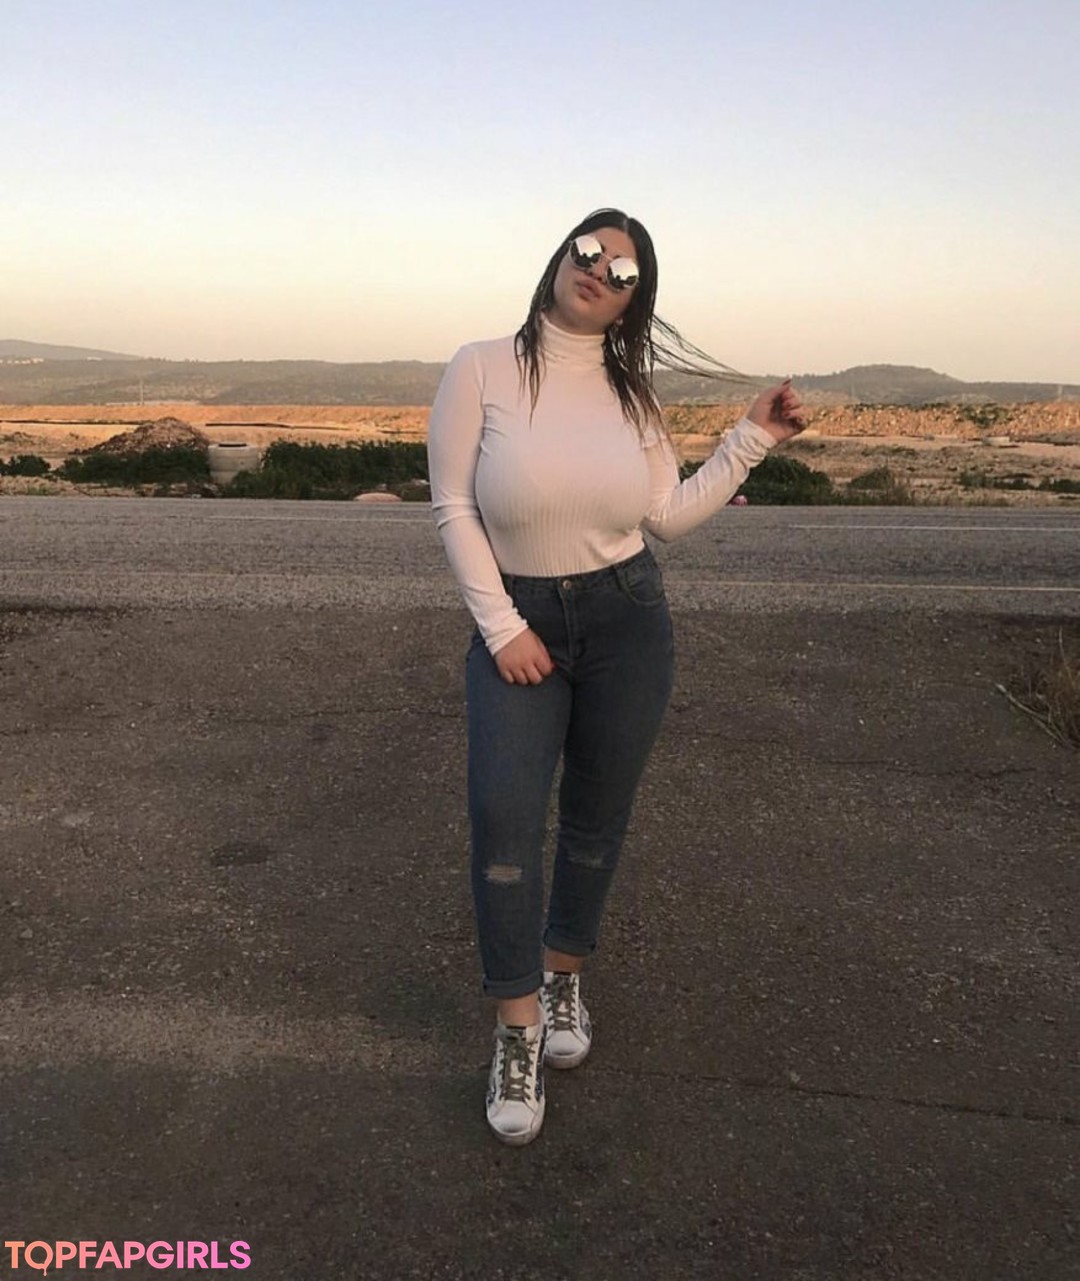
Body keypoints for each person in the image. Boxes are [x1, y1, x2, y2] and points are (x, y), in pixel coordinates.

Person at [427, 208, 807, 1146]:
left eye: (624, 270)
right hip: (520, 621)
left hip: (626, 620)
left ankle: (563, 978)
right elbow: (454, 506)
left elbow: (664, 517)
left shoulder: (633, 396)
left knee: (596, 822)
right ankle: (516, 1026)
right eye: (590, 251)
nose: (600, 269)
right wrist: (503, 626)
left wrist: (750, 437)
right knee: (504, 822)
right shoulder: (482, 366)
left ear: (634, 302)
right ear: (561, 257)